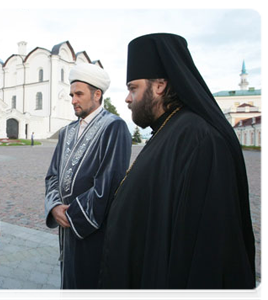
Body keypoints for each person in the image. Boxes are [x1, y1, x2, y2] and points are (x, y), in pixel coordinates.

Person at [98, 33, 259, 299]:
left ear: (159, 85)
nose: (127, 98)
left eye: (133, 88)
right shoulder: (168, 130)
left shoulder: (200, 139)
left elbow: (206, 254)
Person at [45, 63, 132, 300]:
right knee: (69, 285)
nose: (73, 100)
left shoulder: (113, 127)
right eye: (72, 94)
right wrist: (54, 206)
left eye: (79, 94)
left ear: (97, 94)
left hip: (93, 230)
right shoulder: (66, 132)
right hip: (66, 229)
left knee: (89, 287)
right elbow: (52, 175)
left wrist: (72, 215)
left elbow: (109, 184)